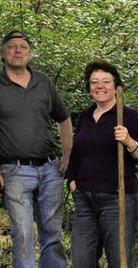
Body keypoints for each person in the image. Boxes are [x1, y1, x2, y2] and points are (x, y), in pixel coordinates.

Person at [0, 30, 72, 268]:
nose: (18, 51)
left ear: (30, 53)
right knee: (22, 234)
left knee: (52, 233)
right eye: (12, 46)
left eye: (23, 46)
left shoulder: (43, 82)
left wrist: (67, 155)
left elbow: (63, 119)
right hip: (14, 170)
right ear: (3, 53)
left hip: (50, 167)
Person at [66, 60, 138, 268]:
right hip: (84, 200)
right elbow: (76, 154)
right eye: (94, 82)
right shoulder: (85, 117)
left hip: (117, 199)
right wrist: (72, 181)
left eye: (106, 81)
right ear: (89, 88)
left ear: (116, 87)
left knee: (119, 260)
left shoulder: (130, 117)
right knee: (81, 261)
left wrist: (129, 142)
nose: (100, 86)